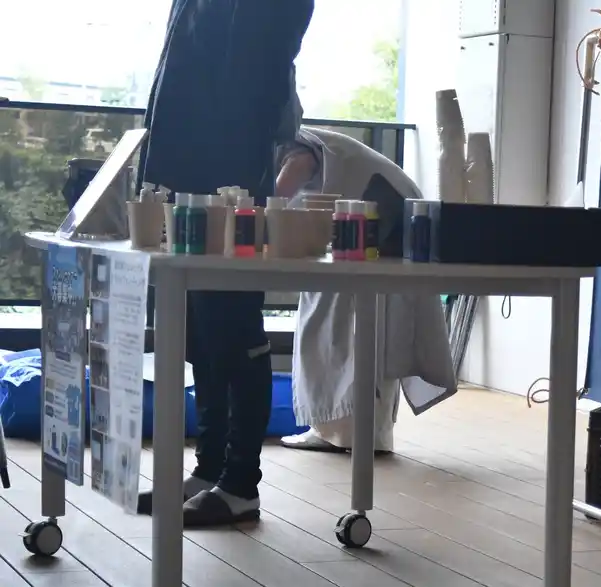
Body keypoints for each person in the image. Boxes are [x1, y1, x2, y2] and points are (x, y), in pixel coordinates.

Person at [134, 0, 314, 526]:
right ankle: (209, 466)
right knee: (198, 328)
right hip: (183, 162)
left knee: (232, 324)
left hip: (230, 166)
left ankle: (240, 482)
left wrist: (240, 169)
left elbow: (262, 72)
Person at [274, 128, 457, 453]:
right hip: (382, 219)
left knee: (345, 325)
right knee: (369, 326)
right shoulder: (302, 140)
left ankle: (348, 433)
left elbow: (278, 193)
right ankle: (359, 433)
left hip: (375, 221)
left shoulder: (292, 144)